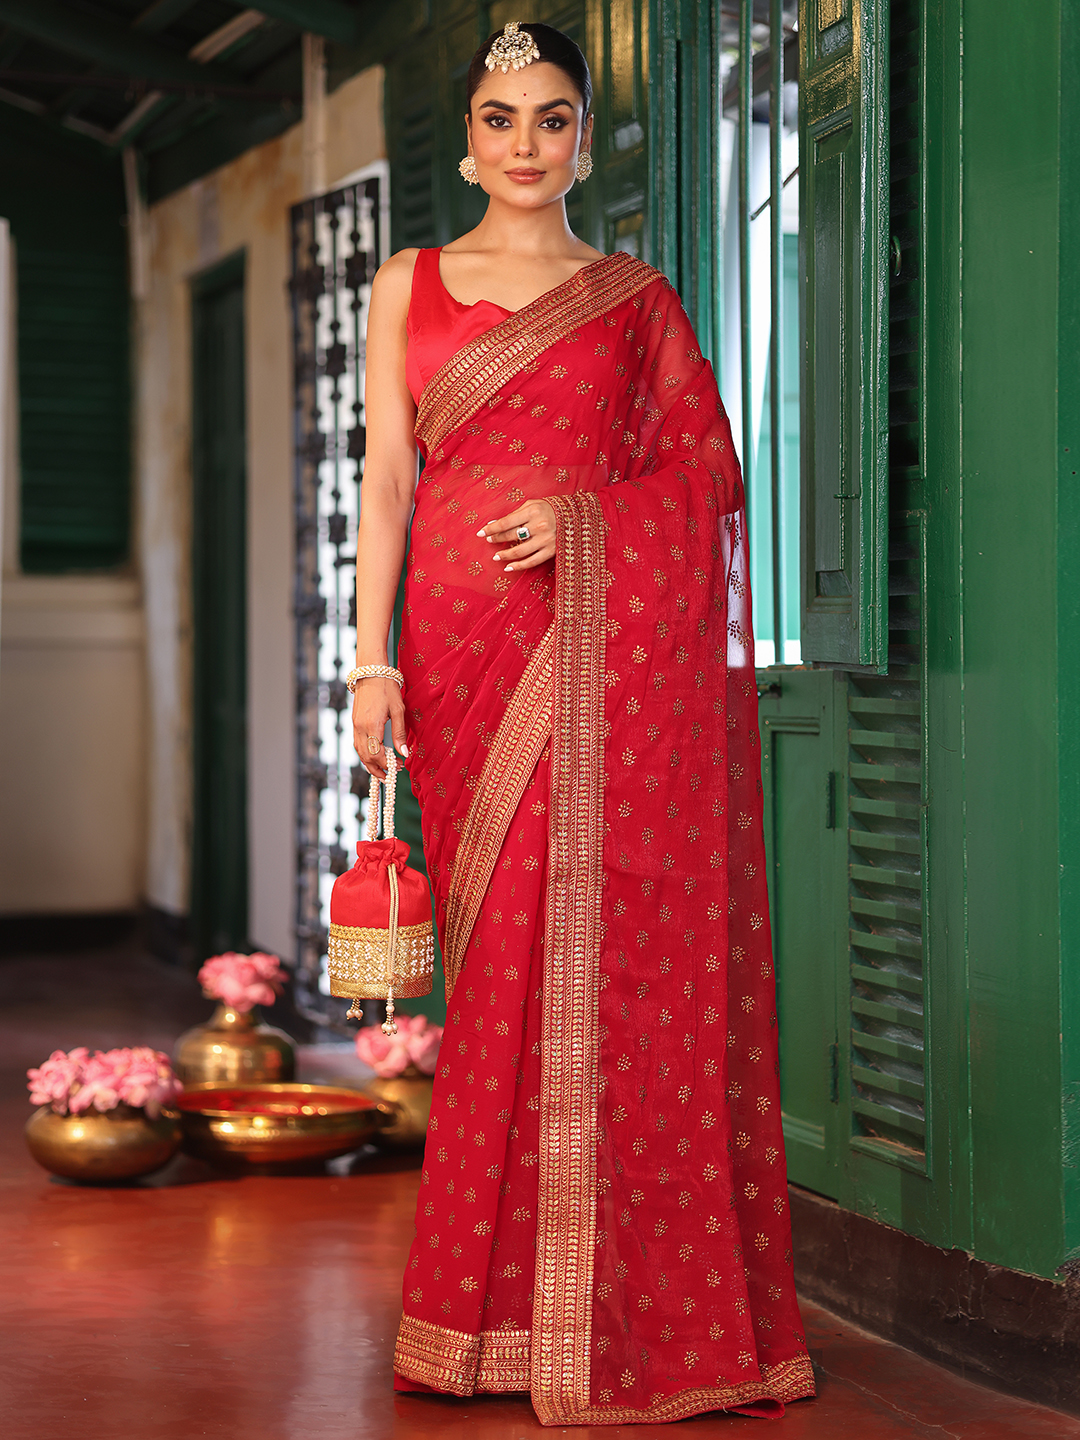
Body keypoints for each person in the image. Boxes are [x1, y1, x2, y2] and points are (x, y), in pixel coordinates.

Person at [348, 19, 815, 1427]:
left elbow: (708, 472)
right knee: (497, 965)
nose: (525, 144)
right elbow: (387, 483)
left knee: (584, 961)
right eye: (501, 118)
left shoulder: (632, 299)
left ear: (583, 139)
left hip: (590, 652)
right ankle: (481, 1320)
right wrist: (366, 664)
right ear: (469, 136)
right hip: (453, 653)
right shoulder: (406, 282)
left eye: (552, 118)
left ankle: (602, 1313)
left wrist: (586, 523)